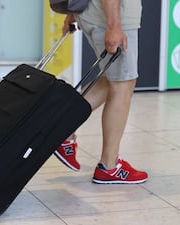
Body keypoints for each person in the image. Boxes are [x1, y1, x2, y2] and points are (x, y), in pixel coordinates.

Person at [53, 0, 148, 184]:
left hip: (97, 13)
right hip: (110, 15)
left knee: (113, 79)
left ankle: (62, 129)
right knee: (123, 83)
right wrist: (114, 24)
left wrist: (75, 11)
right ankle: (109, 166)